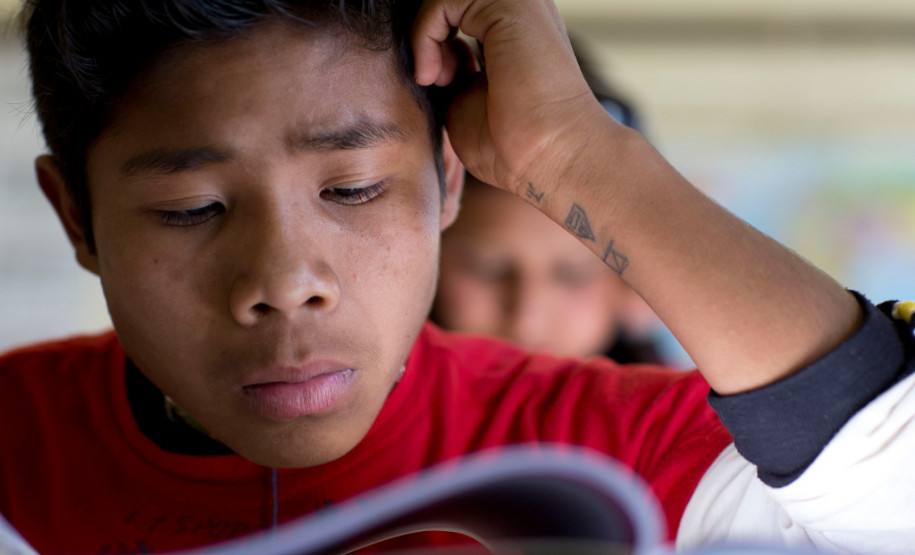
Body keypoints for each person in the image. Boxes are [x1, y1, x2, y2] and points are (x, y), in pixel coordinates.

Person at [1, 1, 912, 554]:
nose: (284, 280)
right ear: (77, 216)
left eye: (352, 188)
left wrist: (576, 152)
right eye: (192, 208)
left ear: (446, 180)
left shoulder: (609, 456)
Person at [432, 68, 666, 362]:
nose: (526, 321)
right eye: (485, 268)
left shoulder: (681, 404)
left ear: (632, 285)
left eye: (573, 274)